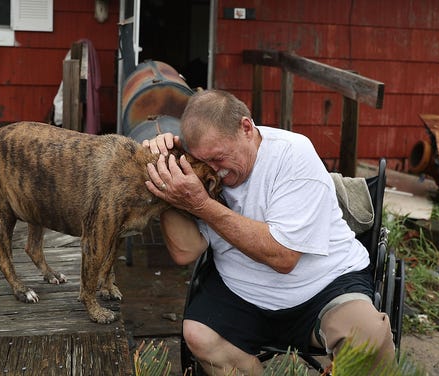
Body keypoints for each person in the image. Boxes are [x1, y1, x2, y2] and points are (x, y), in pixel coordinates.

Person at [142, 89, 395, 375]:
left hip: (323, 285)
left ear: (247, 128)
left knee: (369, 337)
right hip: (242, 292)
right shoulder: (198, 165)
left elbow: (283, 257)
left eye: (220, 158)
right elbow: (185, 251)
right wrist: (165, 174)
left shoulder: (292, 154)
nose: (214, 172)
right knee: (199, 335)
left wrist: (201, 204)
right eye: (204, 162)